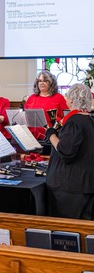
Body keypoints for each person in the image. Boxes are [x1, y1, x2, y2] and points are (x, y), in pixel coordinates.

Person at [45, 83, 94, 219]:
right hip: (84, 183)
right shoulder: (89, 120)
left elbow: (65, 151)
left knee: (67, 230)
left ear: (72, 100)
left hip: (70, 186)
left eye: (67, 96)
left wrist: (51, 134)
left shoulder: (74, 122)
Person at [24, 71, 68, 140]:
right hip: (32, 136)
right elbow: (25, 116)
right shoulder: (32, 98)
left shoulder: (58, 97)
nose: (42, 83)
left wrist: (57, 123)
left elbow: (66, 116)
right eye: (40, 81)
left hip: (51, 136)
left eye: (45, 81)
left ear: (51, 83)